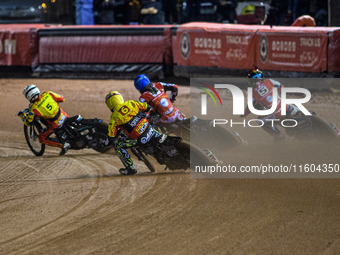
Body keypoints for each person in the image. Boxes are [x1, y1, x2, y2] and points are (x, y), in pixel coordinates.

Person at [105, 90, 173, 175]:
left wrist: (107, 142)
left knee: (117, 145)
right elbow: (147, 107)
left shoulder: (114, 118)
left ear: (109, 105)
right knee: (153, 120)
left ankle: (130, 168)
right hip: (149, 128)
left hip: (138, 139)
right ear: (120, 98)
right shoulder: (131, 103)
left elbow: (111, 136)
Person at [243, 69, 299, 141]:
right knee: (290, 105)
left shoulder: (253, 93)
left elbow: (250, 107)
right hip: (286, 107)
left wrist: (244, 115)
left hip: (275, 114)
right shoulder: (269, 81)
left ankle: (278, 136)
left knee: (261, 121)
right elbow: (281, 87)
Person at [18, 84, 71, 155]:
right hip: (65, 116)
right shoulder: (48, 94)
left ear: (29, 96)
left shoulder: (34, 108)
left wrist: (22, 115)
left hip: (56, 124)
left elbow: (28, 122)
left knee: (42, 138)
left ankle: (63, 145)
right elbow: (61, 99)